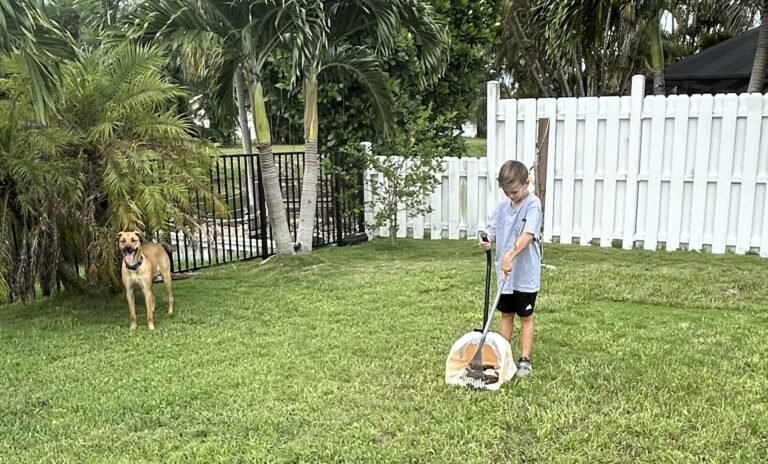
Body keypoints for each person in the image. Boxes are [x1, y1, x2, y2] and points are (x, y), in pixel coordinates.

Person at [480, 160, 542, 378]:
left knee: (525, 316)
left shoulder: (533, 204)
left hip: (524, 274)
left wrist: (510, 255)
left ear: (526, 183)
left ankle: (524, 360)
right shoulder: (502, 207)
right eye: (507, 193)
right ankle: (504, 356)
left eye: (514, 191)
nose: (511, 196)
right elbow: (492, 229)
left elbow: (527, 235)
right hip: (505, 274)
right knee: (506, 314)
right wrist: (487, 239)